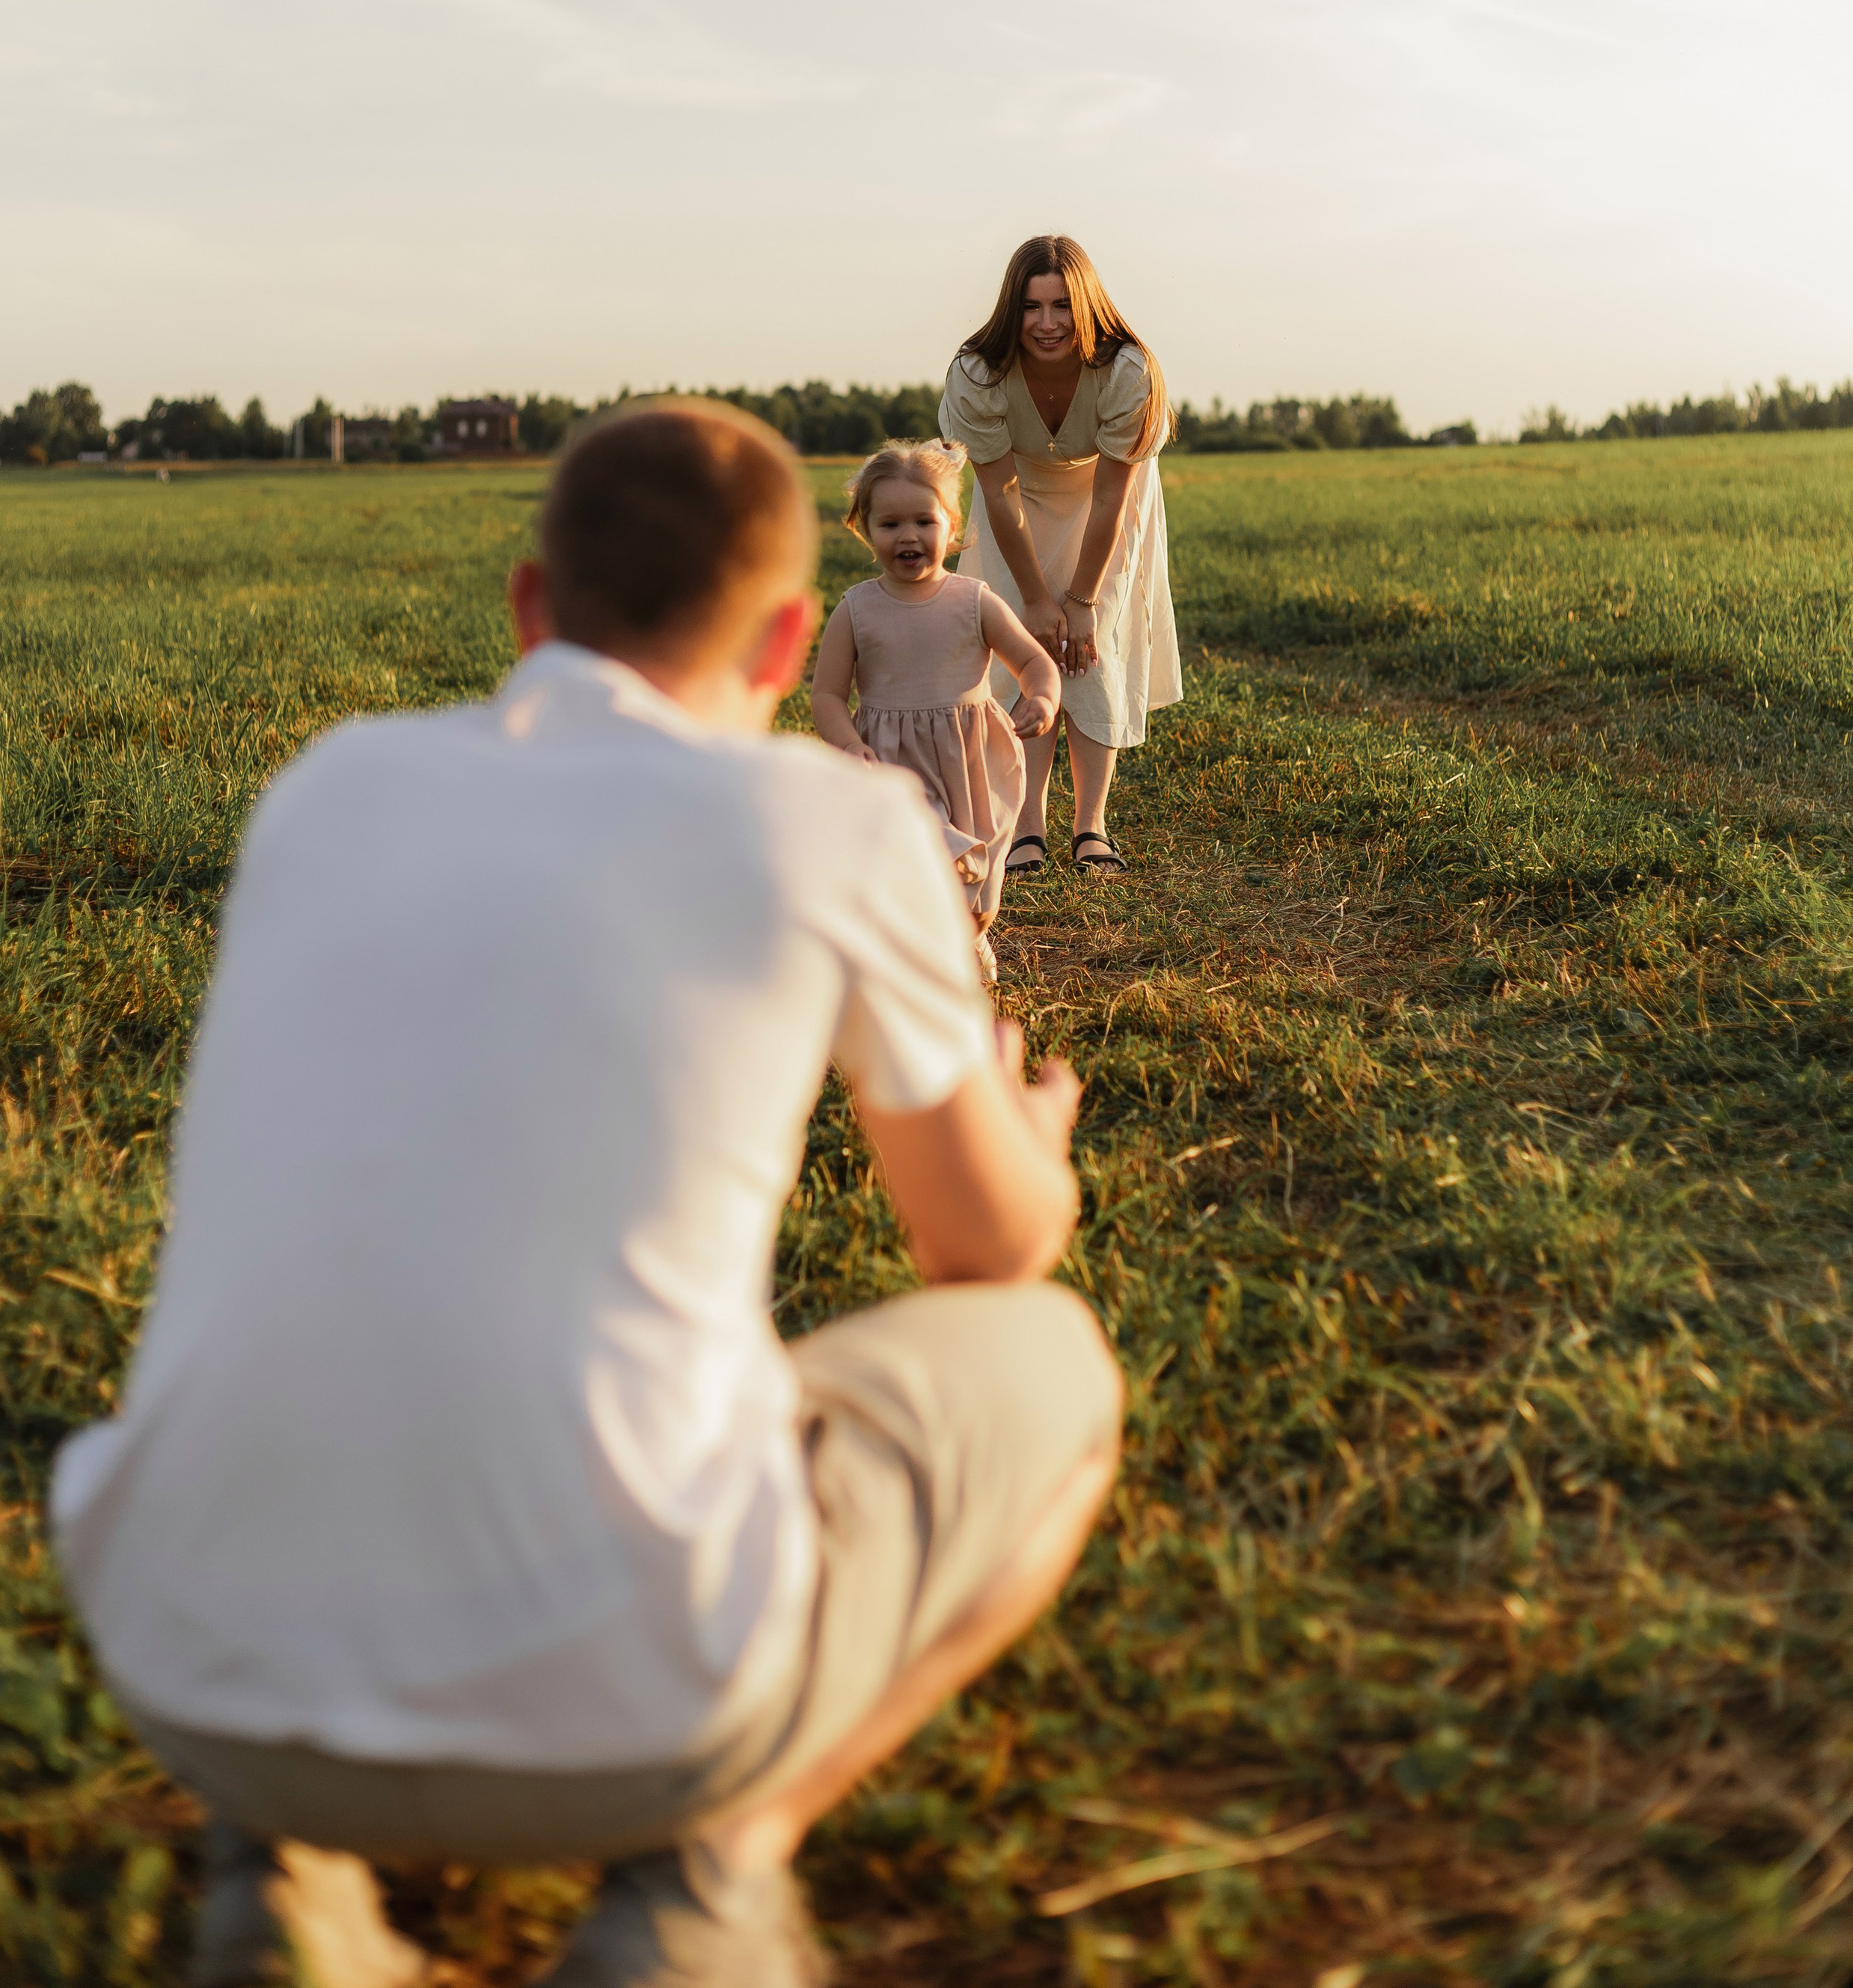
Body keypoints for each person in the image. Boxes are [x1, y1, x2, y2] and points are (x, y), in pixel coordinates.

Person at [51, 402, 1121, 1988]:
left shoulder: (327, 789)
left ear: (529, 608)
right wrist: (1028, 1143)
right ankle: (702, 1885)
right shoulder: (834, 823)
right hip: (641, 1715)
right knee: (1058, 1369)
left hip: (188, 1676)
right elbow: (985, 1244)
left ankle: (276, 1877)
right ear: (786, 642)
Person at [939, 233, 1181, 877]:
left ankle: (1091, 826)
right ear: (1010, 310)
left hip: (1105, 500)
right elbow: (998, 490)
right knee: (1025, 645)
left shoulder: (1128, 372)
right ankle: (1027, 829)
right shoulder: (978, 375)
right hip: (1016, 503)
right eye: (1031, 306)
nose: (1047, 323)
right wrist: (1037, 599)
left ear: (1086, 306)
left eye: (1062, 306)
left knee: (1090, 648)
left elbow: (1110, 496)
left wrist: (1080, 600)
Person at [810, 440, 1062, 981]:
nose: (909, 536)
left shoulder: (974, 600)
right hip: (892, 763)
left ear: (952, 526)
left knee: (976, 884)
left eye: (924, 521)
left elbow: (1033, 661)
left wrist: (1042, 697)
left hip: (971, 760)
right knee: (917, 861)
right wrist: (849, 744)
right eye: (890, 524)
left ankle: (968, 939)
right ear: (865, 528)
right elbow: (827, 694)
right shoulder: (857, 609)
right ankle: (915, 962)